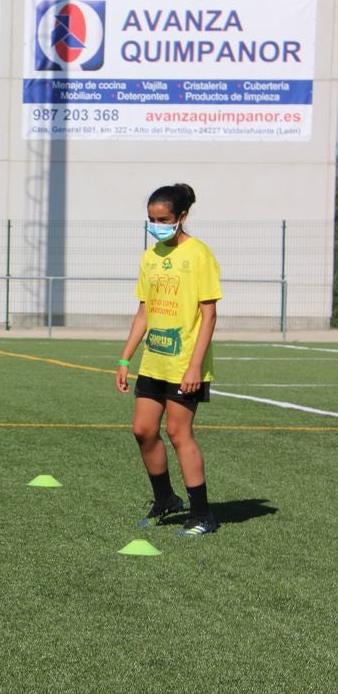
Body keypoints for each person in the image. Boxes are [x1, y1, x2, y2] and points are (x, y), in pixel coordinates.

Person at [116, 183, 222, 537]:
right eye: (151, 219)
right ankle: (166, 500)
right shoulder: (150, 257)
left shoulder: (198, 254)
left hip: (184, 364)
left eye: (163, 219)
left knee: (179, 433)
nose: (156, 224)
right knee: (143, 431)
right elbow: (143, 311)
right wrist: (125, 359)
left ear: (182, 217)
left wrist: (195, 366)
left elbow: (209, 315)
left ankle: (202, 514)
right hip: (154, 362)